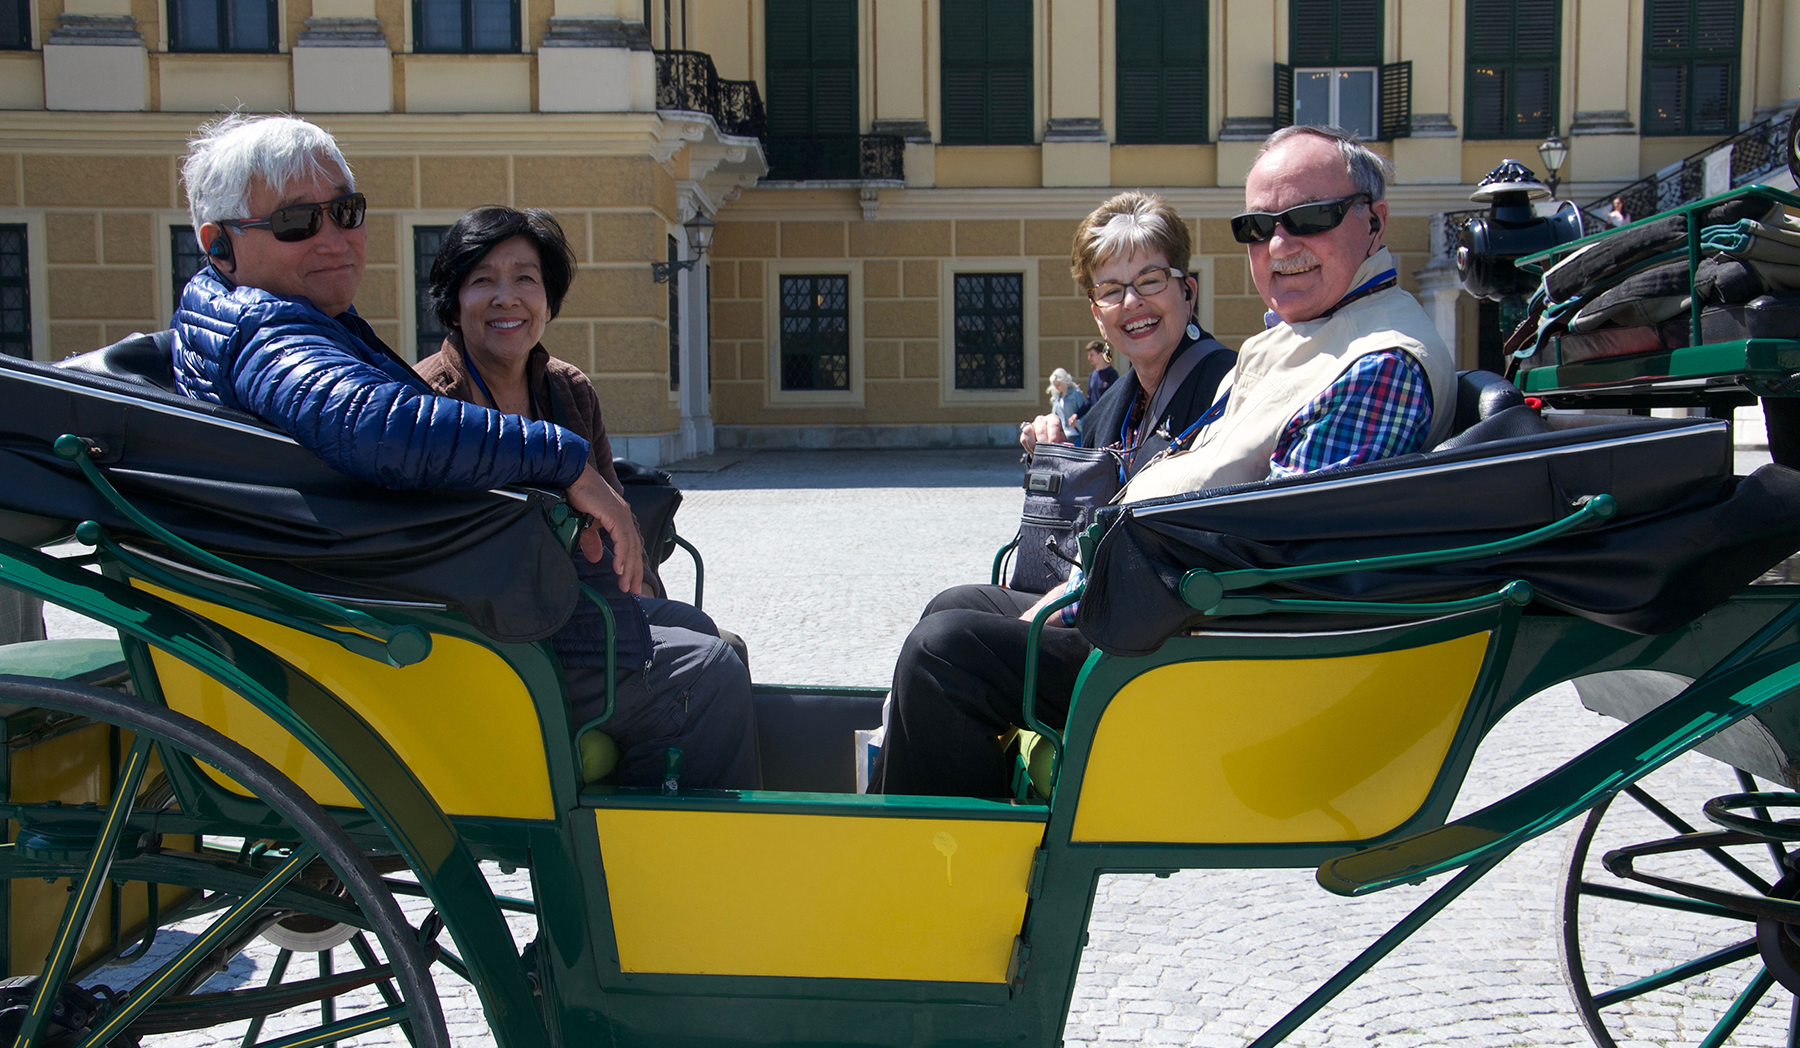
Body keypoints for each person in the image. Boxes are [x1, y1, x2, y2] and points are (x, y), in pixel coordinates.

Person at [169, 115, 756, 790]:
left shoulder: (278, 320)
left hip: (409, 608)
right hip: (414, 643)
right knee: (706, 676)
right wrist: (562, 461)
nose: (333, 239)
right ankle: (648, 882)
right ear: (219, 245)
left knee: (695, 632)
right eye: (298, 221)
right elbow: (378, 426)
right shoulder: (268, 333)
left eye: (346, 212)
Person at [873, 125, 1458, 799]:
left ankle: (947, 882)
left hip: (1211, 656)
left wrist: (1087, 597)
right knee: (953, 609)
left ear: (1374, 223)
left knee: (945, 653)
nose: (1279, 246)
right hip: (1167, 610)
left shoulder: (1377, 362)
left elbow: (1280, 563)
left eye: (1309, 219)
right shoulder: (1310, 335)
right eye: (1257, 226)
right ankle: (917, 840)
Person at [411, 203, 750, 722]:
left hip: (583, 604)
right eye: (483, 280)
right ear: (454, 303)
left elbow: (618, 521)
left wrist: (642, 592)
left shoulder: (568, 390)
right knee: (710, 666)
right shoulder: (428, 400)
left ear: (547, 301)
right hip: (498, 631)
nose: (507, 298)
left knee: (716, 638)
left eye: (526, 278)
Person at [1018, 191, 1236, 480]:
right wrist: (1055, 463)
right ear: (1098, 317)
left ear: (1188, 294)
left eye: (1150, 280)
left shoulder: (1235, 392)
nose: (1132, 301)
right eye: (1110, 291)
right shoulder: (1102, 416)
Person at [1045, 367, 1086, 445]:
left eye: (1058, 385)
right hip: (1062, 435)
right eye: (1055, 385)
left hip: (1075, 433)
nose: (1056, 387)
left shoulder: (1076, 394)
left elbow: (1084, 412)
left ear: (1064, 382)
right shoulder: (1056, 398)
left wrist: (1077, 423)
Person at [1083, 339, 1117, 406]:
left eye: (1091, 355)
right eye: (1088, 355)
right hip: (1095, 415)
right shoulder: (1092, 375)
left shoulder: (1112, 374)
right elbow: (1089, 400)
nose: (1089, 358)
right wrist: (1076, 414)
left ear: (1101, 355)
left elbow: (1114, 397)